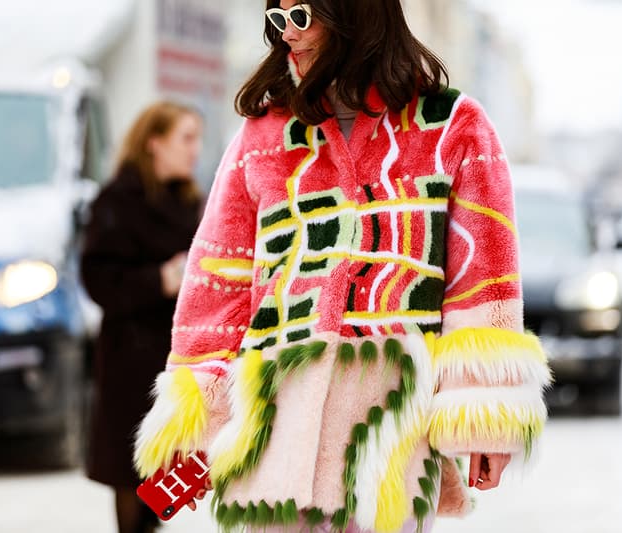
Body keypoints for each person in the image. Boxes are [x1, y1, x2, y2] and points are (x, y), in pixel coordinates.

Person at [134, 2, 551, 532]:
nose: (288, 34)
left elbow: (482, 283)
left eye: (301, 14)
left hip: (387, 439)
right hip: (270, 440)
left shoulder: (452, 128)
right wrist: (192, 437)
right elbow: (219, 284)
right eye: (277, 19)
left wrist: (483, 414)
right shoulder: (262, 137)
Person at [82, 101, 203, 533]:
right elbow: (96, 279)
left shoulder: (191, 201)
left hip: (177, 360)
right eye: (186, 138)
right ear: (155, 143)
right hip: (129, 363)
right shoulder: (116, 201)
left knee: (171, 474)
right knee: (130, 472)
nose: (196, 150)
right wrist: (159, 280)